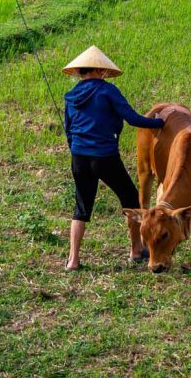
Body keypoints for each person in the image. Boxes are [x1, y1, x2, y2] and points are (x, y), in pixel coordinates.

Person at [61, 45, 164, 271]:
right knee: (130, 199)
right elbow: (132, 119)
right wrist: (159, 122)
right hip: (105, 157)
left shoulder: (70, 96)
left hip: (78, 157)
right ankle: (136, 250)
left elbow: (68, 129)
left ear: (81, 71)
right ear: (100, 70)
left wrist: (77, 148)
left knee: (81, 207)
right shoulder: (108, 91)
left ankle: (72, 260)